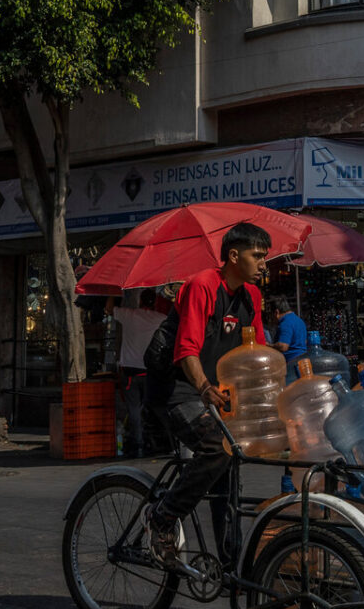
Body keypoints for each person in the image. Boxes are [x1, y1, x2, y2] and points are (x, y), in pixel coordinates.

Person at [144, 222, 271, 567]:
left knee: (229, 475)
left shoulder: (252, 296)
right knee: (218, 446)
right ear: (234, 256)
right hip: (179, 389)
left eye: (265, 257)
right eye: (257, 256)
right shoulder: (202, 285)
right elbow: (186, 349)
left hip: (217, 393)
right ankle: (163, 516)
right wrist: (203, 387)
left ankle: (231, 568)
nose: (263, 264)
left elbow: (256, 353)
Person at [112, 290, 171, 458]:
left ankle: (138, 443)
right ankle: (164, 439)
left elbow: (109, 310)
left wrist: (112, 292)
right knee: (155, 406)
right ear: (154, 303)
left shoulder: (128, 315)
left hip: (130, 370)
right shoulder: (160, 318)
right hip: (150, 369)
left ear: (140, 301)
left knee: (134, 409)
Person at [271, 299, 309, 378]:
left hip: (291, 365)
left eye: (271, 315)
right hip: (303, 362)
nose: (272, 319)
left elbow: (283, 346)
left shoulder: (285, 323)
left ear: (277, 312)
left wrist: (267, 345)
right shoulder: (299, 320)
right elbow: (305, 341)